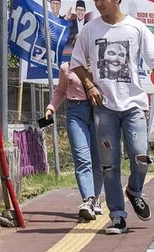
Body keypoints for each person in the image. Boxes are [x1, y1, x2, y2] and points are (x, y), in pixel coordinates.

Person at [71, 0, 154, 235]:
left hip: (134, 106)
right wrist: (90, 86)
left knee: (141, 154)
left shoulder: (136, 28)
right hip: (104, 108)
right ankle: (117, 215)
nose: (98, 3)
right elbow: (76, 62)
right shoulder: (89, 30)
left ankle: (135, 190)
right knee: (109, 164)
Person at [45, 42, 104, 221]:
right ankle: (88, 199)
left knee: (98, 160)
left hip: (99, 112)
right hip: (75, 112)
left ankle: (96, 199)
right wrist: (50, 108)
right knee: (82, 158)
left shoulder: (101, 65)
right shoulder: (66, 67)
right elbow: (60, 91)